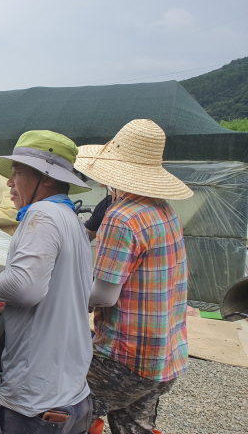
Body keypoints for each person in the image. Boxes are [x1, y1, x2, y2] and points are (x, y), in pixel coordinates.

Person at [0, 130, 94, 434]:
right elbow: (51, 293)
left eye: (17, 173)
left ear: (48, 178)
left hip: (37, 403)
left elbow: (26, 287)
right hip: (71, 393)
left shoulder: (41, 215)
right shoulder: (71, 220)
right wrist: (3, 306)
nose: (9, 183)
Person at [74, 119, 193, 434]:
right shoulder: (164, 211)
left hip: (125, 360)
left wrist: (56, 295)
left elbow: (104, 295)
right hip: (165, 358)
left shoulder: (121, 217)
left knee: (65, 404)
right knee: (134, 426)